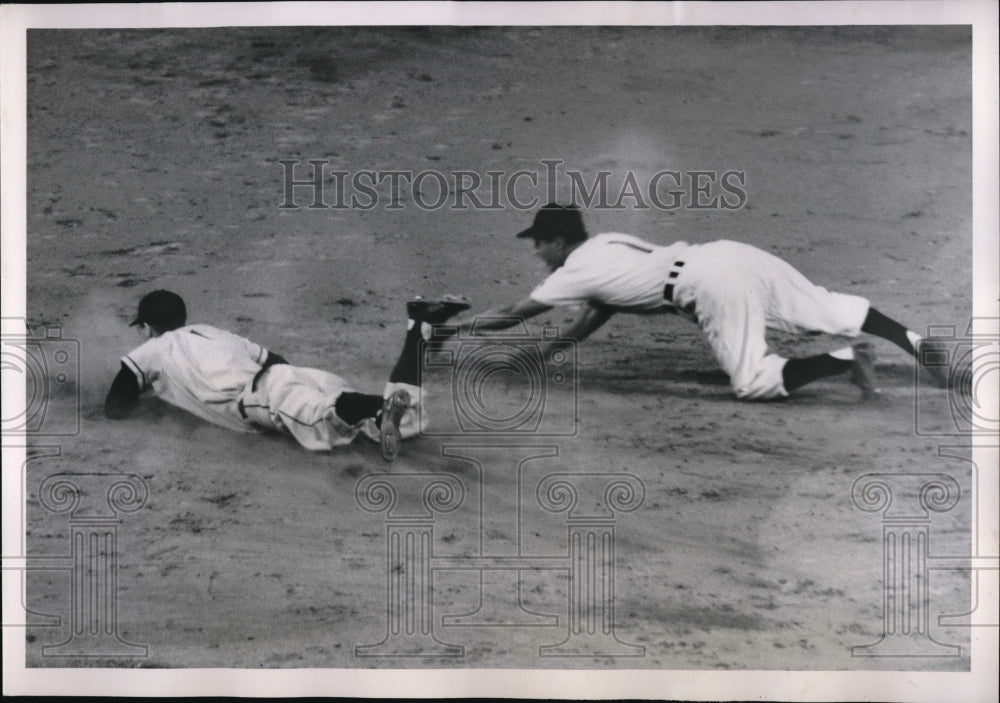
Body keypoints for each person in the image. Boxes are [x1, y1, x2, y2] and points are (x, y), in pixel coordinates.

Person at [436, 203, 952, 401]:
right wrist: (549, 353)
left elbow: (511, 314)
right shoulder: (606, 245)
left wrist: (449, 330)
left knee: (751, 381)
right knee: (825, 306)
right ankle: (916, 342)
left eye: (538, 243)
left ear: (555, 242)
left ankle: (844, 360)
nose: (536, 253)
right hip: (730, 255)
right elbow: (601, 307)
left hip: (710, 288)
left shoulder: (572, 270)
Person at [105, 290, 469, 460]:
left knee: (321, 419)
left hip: (265, 396)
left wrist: (155, 403)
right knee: (404, 423)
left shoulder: (152, 349)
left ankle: (377, 406)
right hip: (295, 376)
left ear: (149, 327)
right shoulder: (213, 332)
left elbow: (115, 404)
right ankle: (417, 328)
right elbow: (276, 358)